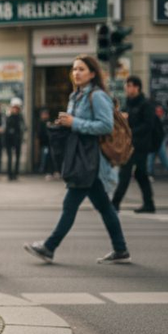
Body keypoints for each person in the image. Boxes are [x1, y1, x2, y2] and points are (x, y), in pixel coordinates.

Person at [25, 55, 130, 264]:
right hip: (82, 158)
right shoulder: (76, 96)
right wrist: (65, 123)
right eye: (74, 69)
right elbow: (78, 124)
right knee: (104, 207)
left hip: (91, 161)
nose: (76, 73)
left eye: (81, 69)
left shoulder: (97, 96)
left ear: (92, 73)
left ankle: (49, 247)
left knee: (70, 204)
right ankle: (120, 249)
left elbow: (105, 126)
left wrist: (75, 122)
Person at [111, 75, 156, 213]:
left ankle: (114, 204)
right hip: (130, 144)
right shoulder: (129, 103)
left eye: (129, 86)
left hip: (140, 145)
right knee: (140, 174)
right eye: (126, 86)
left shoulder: (145, 104)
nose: (126, 88)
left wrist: (130, 131)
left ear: (136, 87)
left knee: (125, 173)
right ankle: (149, 204)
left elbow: (148, 125)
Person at [145, 104, 168, 181]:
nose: (159, 113)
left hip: (157, 141)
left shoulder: (156, 119)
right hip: (156, 141)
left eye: (160, 112)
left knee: (154, 158)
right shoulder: (158, 119)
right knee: (155, 158)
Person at [4, 98, 26, 181]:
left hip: (17, 139)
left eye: (17, 108)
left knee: (17, 157)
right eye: (14, 107)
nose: (15, 109)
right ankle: (9, 174)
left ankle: (16, 174)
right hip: (9, 140)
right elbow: (6, 127)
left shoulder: (20, 117)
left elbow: (24, 127)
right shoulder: (8, 116)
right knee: (10, 157)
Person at [36, 107, 56, 178]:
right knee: (44, 158)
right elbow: (38, 135)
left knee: (50, 157)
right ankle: (44, 170)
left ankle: (50, 171)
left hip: (49, 143)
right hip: (43, 144)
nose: (45, 116)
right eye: (44, 114)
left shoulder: (49, 123)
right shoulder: (40, 123)